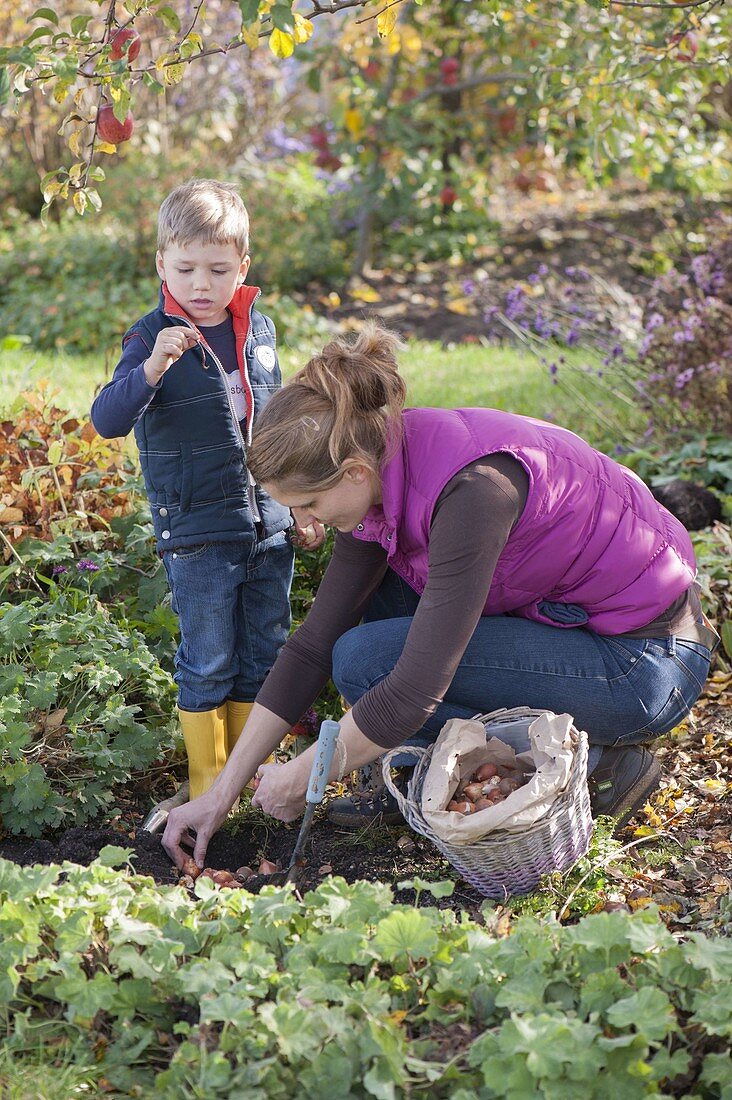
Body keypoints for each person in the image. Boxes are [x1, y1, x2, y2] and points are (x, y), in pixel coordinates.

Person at [162, 322, 716, 870]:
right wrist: (221, 793)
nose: (304, 523)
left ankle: (594, 766)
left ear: (352, 472)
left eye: (307, 504)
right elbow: (312, 646)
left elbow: (415, 688)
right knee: (360, 632)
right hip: (580, 628)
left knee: (369, 660)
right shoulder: (382, 461)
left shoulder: (473, 493)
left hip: (646, 664)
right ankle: (438, 766)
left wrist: (308, 773)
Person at [91, 178, 323, 820]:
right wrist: (151, 370)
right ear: (162, 263)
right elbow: (107, 419)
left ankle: (252, 786)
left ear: (242, 268)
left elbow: (275, 429)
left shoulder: (259, 333)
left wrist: (301, 506)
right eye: (186, 267)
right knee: (209, 659)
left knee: (264, 651)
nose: (201, 283)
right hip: (197, 532)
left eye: (218, 269)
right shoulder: (149, 338)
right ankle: (207, 786)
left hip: (267, 527)